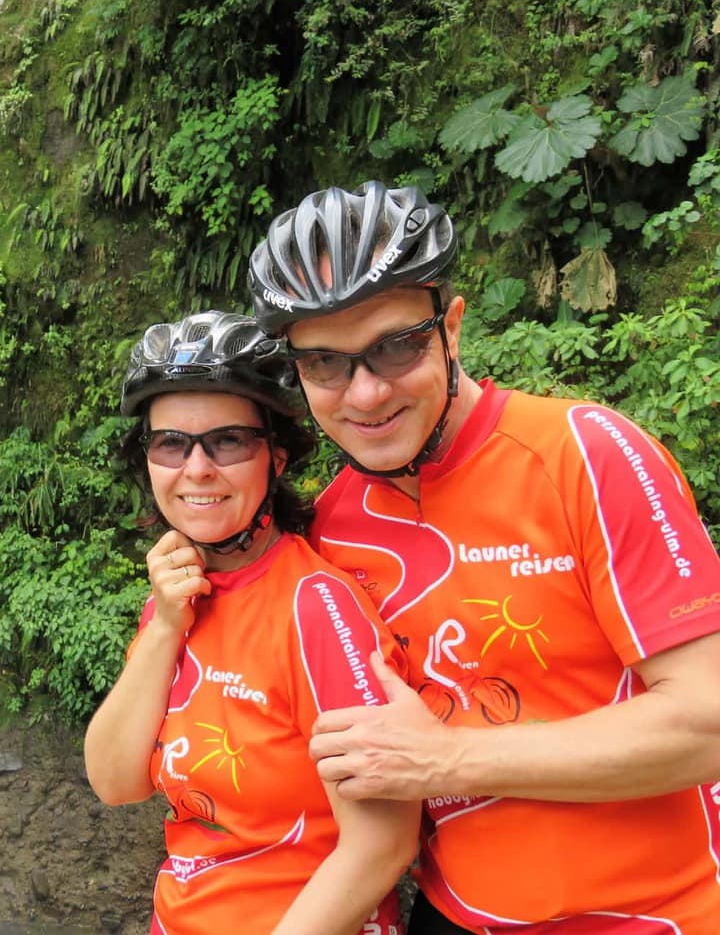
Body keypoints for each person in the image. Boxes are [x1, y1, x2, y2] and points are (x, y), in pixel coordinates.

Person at [248, 181, 720, 933]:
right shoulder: (329, 529)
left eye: (397, 346)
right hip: (455, 913)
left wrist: (446, 762)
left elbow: (708, 722)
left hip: (654, 914)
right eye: (325, 365)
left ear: (452, 328)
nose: (365, 393)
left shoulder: (588, 455)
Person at [84, 310, 418, 935]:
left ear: (280, 456)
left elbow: (382, 843)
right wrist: (163, 629)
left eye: (229, 440)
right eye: (170, 443)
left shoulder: (316, 606)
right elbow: (113, 780)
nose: (197, 468)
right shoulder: (174, 598)